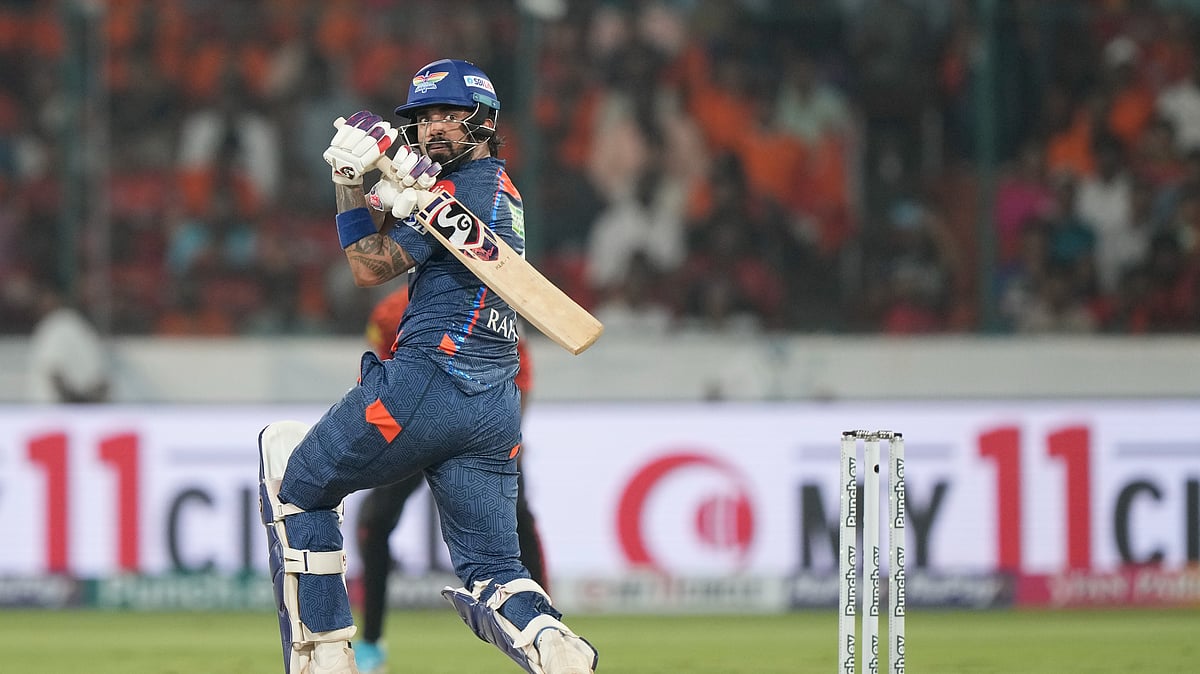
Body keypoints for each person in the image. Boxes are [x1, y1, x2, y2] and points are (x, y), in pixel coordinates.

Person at [257, 58, 597, 674]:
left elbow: (369, 266)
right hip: (494, 405)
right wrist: (382, 185)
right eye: (424, 118)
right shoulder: (498, 191)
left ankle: (326, 657)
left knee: (294, 481)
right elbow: (399, 243)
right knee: (495, 571)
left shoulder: (465, 189)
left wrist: (346, 186)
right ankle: (552, 644)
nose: (435, 127)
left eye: (450, 114)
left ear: (486, 122)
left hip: (429, 381)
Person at [352, 285, 550, 673]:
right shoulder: (390, 313)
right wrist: (386, 437)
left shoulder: (492, 308)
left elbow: (520, 376)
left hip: (482, 428)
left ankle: (548, 634)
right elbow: (378, 380)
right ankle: (371, 644)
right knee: (374, 524)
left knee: (518, 521)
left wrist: (508, 432)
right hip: (415, 429)